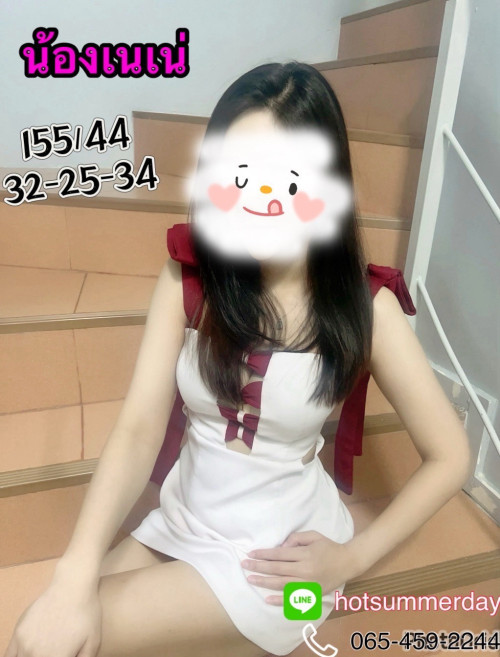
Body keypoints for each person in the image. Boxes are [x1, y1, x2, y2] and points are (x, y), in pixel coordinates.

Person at [4, 61, 471, 657]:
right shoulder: (191, 277)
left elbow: (451, 456)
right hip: (184, 517)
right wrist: (73, 571)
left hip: (274, 560)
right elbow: (139, 429)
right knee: (44, 625)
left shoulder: (364, 305)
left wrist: (351, 558)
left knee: (63, 644)